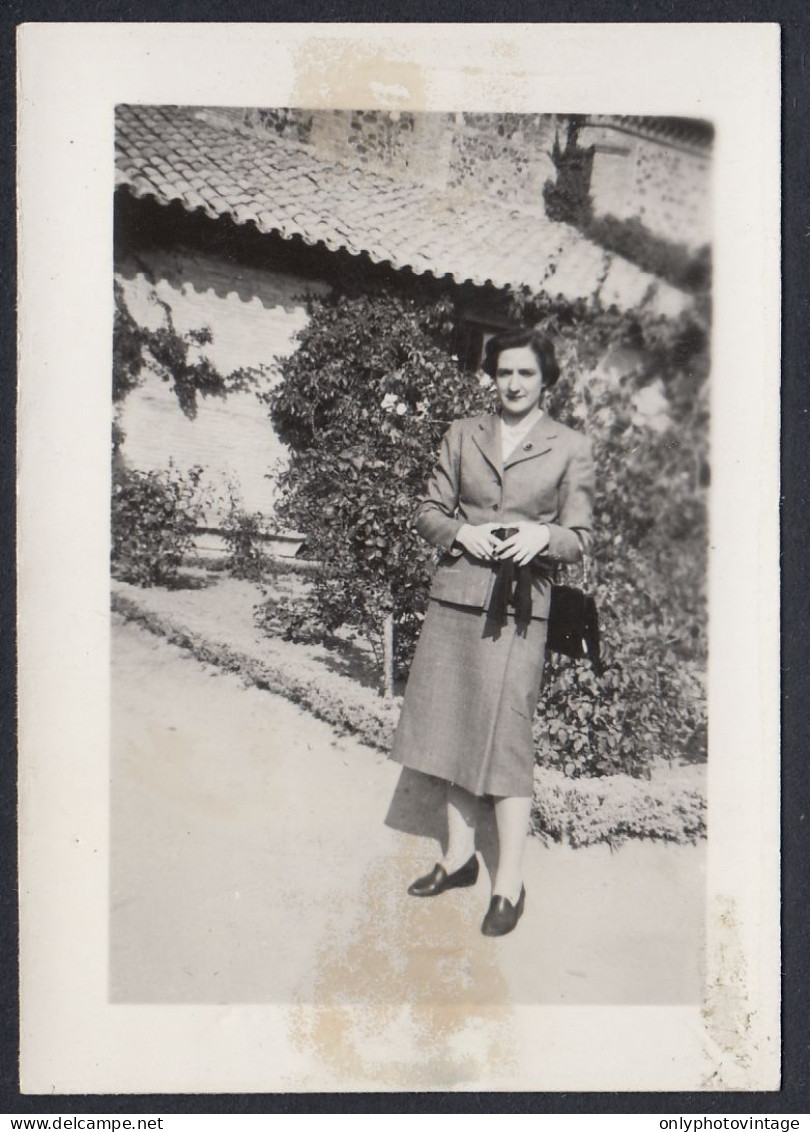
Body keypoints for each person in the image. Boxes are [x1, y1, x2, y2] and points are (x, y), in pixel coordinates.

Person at [390, 326, 595, 937]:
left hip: (521, 609)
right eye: (504, 372)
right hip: (456, 599)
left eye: (525, 373)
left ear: (545, 379)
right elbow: (428, 511)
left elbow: (580, 538)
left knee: (507, 739)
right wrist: (460, 533)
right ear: (492, 376)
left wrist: (544, 537)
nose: (513, 383)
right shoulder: (462, 434)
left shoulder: (570, 447)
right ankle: (457, 862)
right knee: (452, 728)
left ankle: (509, 883)